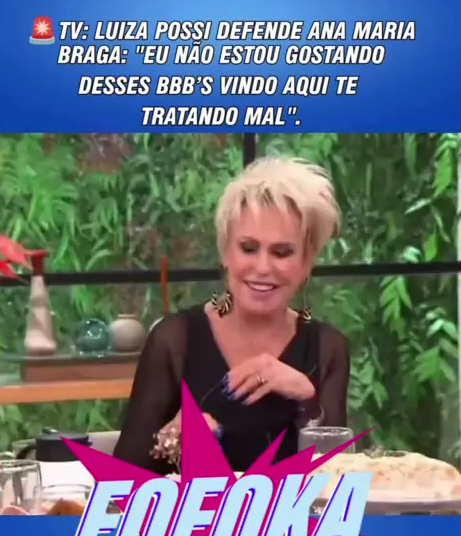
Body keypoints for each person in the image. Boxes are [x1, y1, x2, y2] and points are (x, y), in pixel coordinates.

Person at [113, 155, 350, 474]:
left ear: (307, 263)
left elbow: (337, 476)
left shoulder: (327, 347)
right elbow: (122, 478)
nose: (263, 268)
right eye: (248, 248)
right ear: (225, 251)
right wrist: (175, 436)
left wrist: (307, 398)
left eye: (282, 252)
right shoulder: (174, 340)